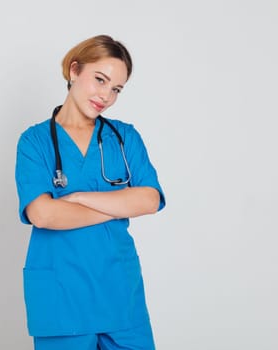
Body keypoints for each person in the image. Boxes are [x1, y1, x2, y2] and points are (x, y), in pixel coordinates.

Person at [14, 34, 166, 350]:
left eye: (116, 89)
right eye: (100, 80)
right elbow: (42, 214)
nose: (106, 96)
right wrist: (122, 203)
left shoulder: (124, 138)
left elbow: (150, 199)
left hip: (120, 296)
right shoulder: (35, 142)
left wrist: (80, 198)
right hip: (61, 299)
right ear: (74, 70)